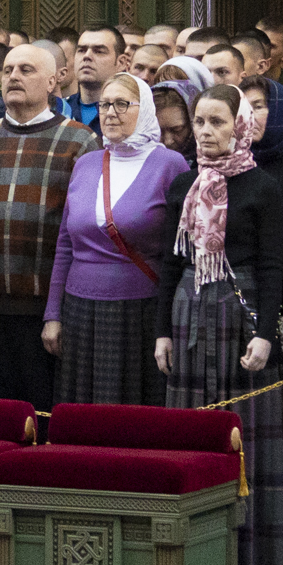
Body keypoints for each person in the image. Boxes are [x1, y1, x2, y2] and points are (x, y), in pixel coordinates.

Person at [157, 85, 283, 565]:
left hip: (242, 312)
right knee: (192, 427)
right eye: (200, 122)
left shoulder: (263, 186)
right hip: (189, 309)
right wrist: (162, 332)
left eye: (217, 121)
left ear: (240, 124)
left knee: (244, 429)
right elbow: (171, 262)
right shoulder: (183, 186)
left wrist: (266, 335)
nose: (207, 132)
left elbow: (275, 267)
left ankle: (246, 550)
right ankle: (191, 546)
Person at [0, 42, 97, 410]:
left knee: (42, 417)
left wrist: (58, 312)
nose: (14, 76)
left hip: (44, 309)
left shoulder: (81, 141)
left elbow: (80, 233)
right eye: (8, 70)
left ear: (53, 82)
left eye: (26, 70)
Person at [48, 72, 187, 406]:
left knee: (131, 411)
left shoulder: (170, 164)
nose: (110, 112)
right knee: (82, 411)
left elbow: (177, 252)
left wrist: (167, 323)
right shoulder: (86, 163)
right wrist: (53, 314)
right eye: (105, 104)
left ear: (146, 110)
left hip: (139, 310)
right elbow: (66, 243)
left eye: (122, 104)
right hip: (80, 309)